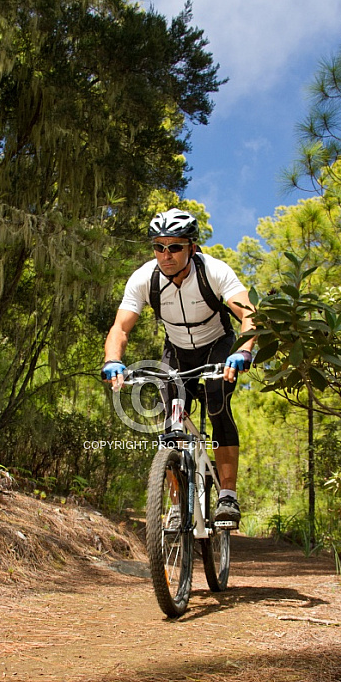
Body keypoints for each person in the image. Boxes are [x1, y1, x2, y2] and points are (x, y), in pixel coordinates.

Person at [102, 208, 255, 525]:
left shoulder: (215, 271)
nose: (166, 254)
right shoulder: (145, 278)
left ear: (192, 248)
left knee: (217, 403)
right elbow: (120, 328)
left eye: (174, 247)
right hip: (177, 351)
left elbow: (248, 315)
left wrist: (242, 352)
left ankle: (228, 496)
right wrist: (113, 360)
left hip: (218, 346)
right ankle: (176, 505)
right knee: (172, 424)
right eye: (159, 246)